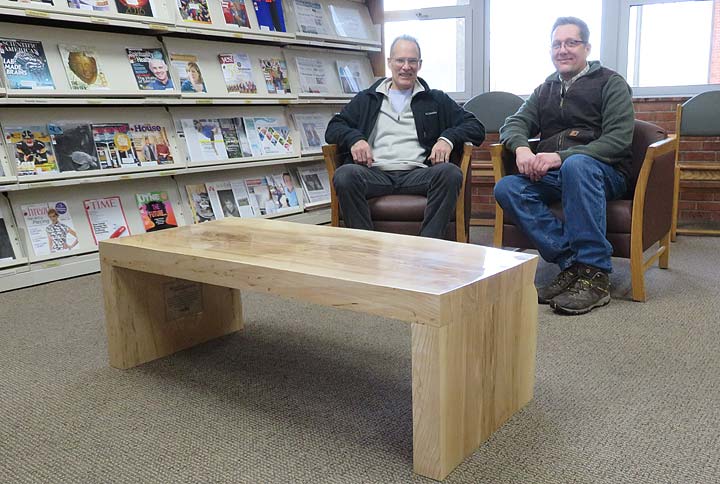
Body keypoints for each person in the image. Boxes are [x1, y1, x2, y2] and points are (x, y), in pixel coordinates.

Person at [493, 17, 634, 316]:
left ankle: (595, 274)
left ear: (587, 47)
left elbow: (619, 140)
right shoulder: (545, 89)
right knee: (508, 187)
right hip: (556, 174)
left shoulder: (611, 83)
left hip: (602, 172)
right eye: (557, 44)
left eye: (571, 42)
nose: (563, 50)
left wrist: (561, 157)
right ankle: (573, 265)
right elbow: (514, 123)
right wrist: (521, 149)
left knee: (577, 166)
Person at [325, 35, 485, 239]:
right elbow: (333, 128)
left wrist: (447, 139)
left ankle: (426, 246)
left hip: (418, 173)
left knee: (450, 173)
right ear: (389, 62)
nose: (406, 67)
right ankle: (365, 246)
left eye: (412, 61)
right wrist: (355, 138)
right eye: (400, 60)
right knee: (345, 175)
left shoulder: (435, 99)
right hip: (375, 172)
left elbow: (476, 127)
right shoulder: (368, 98)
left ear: (420, 64)